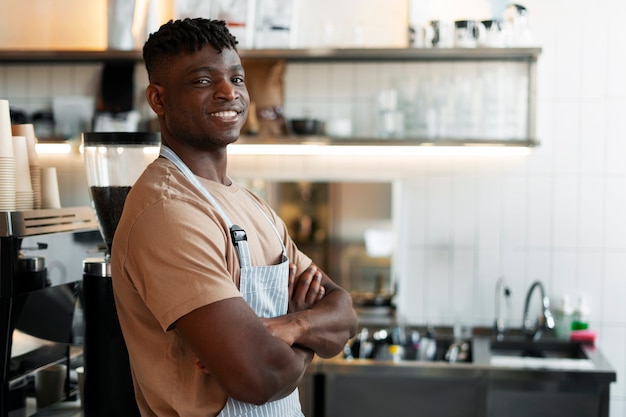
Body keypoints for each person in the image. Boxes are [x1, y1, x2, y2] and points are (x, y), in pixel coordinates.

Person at [111, 17, 358, 417]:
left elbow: (344, 313)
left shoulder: (252, 205)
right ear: (158, 99)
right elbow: (257, 376)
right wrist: (312, 336)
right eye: (203, 81)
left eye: (237, 78)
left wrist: (288, 328)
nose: (229, 92)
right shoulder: (169, 213)